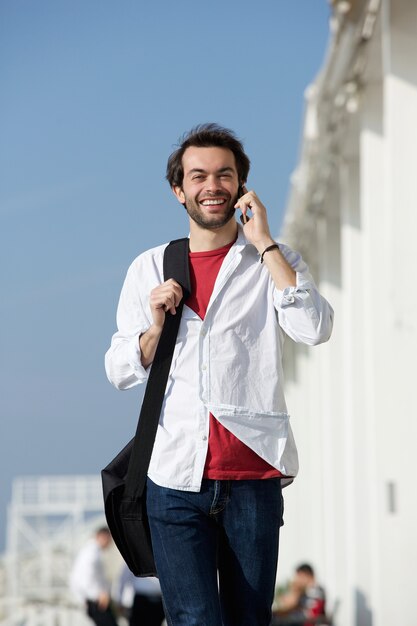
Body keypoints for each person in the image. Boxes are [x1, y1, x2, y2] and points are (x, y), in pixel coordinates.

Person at [105, 123, 334, 626]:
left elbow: (314, 327)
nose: (213, 185)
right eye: (199, 175)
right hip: (173, 477)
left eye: (224, 174)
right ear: (178, 190)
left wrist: (267, 244)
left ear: (242, 185)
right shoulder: (148, 267)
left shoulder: (272, 261)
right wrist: (154, 328)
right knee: (192, 618)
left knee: (248, 618)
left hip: (253, 475)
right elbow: (119, 368)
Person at [69, 526, 118, 626]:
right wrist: (99, 594)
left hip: (93, 599)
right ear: (104, 537)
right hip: (97, 600)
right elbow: (87, 576)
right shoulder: (92, 552)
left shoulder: (90, 550)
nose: (111, 543)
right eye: (110, 539)